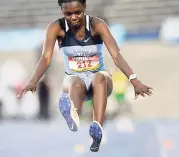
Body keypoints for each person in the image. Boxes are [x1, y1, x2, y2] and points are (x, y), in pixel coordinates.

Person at [17, 0, 153, 152]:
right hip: (75, 80)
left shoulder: (97, 25)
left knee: (99, 77)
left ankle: (97, 129)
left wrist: (134, 80)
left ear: (85, 8)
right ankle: (73, 116)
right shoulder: (56, 28)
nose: (73, 17)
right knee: (75, 82)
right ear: (62, 11)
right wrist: (33, 80)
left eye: (78, 13)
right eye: (68, 14)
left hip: (99, 80)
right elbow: (46, 57)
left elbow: (116, 55)